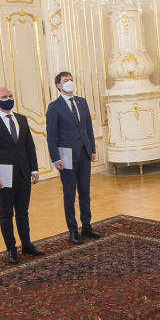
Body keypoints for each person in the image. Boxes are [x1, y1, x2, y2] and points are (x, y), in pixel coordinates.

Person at [0, 87, 44, 264]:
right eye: (4, 97)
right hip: (3, 176)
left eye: (10, 96)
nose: (8, 99)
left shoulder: (22, 119)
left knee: (23, 212)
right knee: (6, 214)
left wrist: (34, 169)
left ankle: (27, 245)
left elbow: (29, 146)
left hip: (24, 173)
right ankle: (11, 249)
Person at [46, 71, 99, 244]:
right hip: (65, 155)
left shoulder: (81, 102)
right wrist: (55, 158)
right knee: (69, 194)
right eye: (65, 81)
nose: (69, 83)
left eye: (71, 80)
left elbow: (88, 127)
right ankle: (72, 230)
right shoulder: (54, 107)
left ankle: (87, 225)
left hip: (84, 152)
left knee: (85, 192)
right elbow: (51, 135)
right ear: (59, 86)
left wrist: (92, 149)